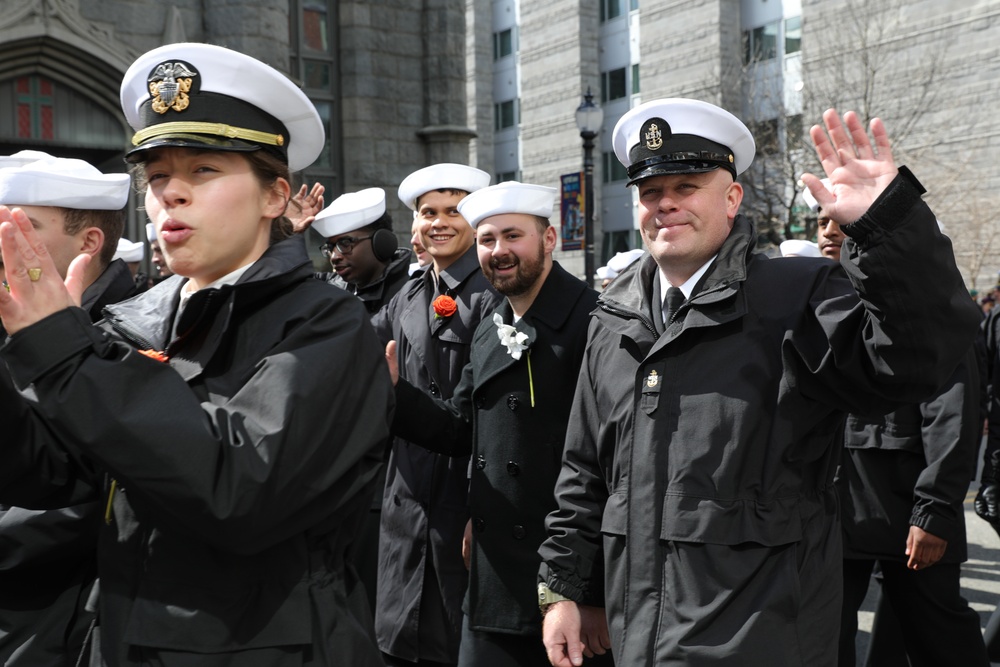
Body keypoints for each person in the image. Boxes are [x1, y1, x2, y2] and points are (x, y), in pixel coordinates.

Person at [536, 98, 981, 667]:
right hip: (638, 640)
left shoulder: (797, 296)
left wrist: (887, 226)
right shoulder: (614, 316)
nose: (665, 203)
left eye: (687, 185)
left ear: (732, 198)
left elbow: (916, 358)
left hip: (763, 640)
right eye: (651, 192)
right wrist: (569, 589)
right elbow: (584, 472)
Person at [0, 42, 392, 666]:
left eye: (204, 171)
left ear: (273, 196)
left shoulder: (328, 323)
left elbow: (239, 490)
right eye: (157, 179)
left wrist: (65, 350)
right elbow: (53, 472)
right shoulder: (135, 321)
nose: (170, 196)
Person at [388, 181, 610, 667]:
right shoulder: (491, 321)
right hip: (493, 580)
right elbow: (459, 429)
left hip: (565, 581)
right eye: (488, 240)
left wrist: (589, 593)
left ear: (549, 240)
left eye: (514, 236)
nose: (499, 251)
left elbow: (607, 468)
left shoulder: (595, 322)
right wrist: (393, 395)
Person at [0, 150, 139, 666]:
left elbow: (66, 501)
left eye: (24, 226)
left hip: (64, 620)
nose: (4, 241)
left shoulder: (124, 337)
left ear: (89, 242)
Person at [372, 163, 502, 667]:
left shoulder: (493, 293)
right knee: (400, 643)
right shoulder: (409, 292)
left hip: (461, 495)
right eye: (429, 212)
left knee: (451, 643)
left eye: (454, 211)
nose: (439, 222)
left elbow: (489, 419)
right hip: (406, 498)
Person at [313, 187, 412, 314]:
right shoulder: (328, 288)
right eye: (331, 248)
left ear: (381, 242)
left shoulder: (410, 297)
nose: (334, 257)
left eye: (345, 243)